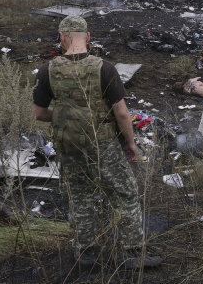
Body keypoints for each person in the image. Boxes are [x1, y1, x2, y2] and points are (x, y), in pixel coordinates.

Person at [32, 15, 161, 270]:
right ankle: (132, 253)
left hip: (68, 144)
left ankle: (86, 253)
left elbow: (39, 113)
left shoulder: (49, 69)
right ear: (88, 37)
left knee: (80, 196)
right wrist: (130, 143)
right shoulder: (105, 68)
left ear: (62, 37)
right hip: (102, 144)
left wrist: (65, 117)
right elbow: (122, 113)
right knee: (124, 193)